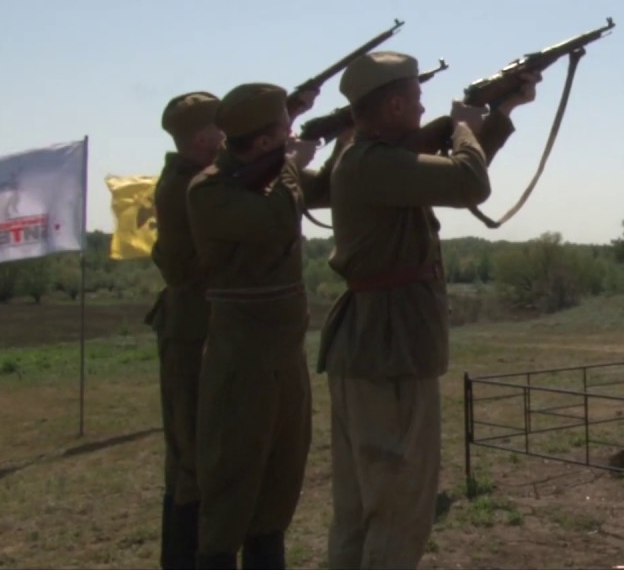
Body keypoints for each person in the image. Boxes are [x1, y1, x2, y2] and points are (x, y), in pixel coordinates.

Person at [316, 50, 540, 570]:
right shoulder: (374, 163)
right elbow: (467, 182)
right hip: (391, 350)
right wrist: (464, 126)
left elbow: (448, 175)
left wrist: (501, 114)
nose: (422, 110)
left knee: (360, 510)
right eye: (416, 100)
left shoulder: (370, 160)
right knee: (399, 507)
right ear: (393, 106)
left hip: (372, 346)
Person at [185, 82, 345, 569]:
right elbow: (278, 218)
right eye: (283, 130)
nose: (289, 135)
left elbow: (334, 186)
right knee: (231, 490)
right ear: (261, 143)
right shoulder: (209, 191)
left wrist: (348, 135)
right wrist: (294, 163)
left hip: (285, 358)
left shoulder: (276, 176)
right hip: (241, 362)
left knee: (279, 488)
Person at [146, 91, 223, 569]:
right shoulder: (188, 184)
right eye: (221, 127)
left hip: (189, 326)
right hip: (191, 331)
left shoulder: (185, 177)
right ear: (201, 137)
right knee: (193, 458)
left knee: (187, 458)